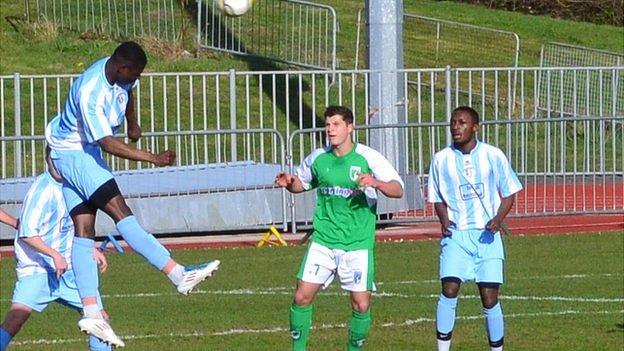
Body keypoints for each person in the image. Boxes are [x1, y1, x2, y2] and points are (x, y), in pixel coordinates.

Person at [45, 41, 220, 347]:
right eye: (134, 73)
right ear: (120, 67)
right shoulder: (90, 91)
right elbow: (107, 143)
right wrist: (152, 157)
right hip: (73, 154)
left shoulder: (120, 72)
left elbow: (130, 92)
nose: (135, 79)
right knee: (120, 213)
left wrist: (132, 121)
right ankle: (177, 274)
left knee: (84, 230)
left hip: (76, 153)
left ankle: (90, 311)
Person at [275, 106, 405, 351]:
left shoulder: (368, 157)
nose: (330, 130)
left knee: (361, 305)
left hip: (357, 243)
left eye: (336, 124)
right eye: (327, 125)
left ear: (350, 127)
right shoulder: (318, 158)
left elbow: (398, 189)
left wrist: (374, 182)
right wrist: (289, 183)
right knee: (301, 296)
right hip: (324, 240)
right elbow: (301, 184)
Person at [427, 106, 523, 351]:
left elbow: (509, 191)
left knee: (490, 299)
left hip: (487, 236)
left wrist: (498, 219)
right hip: (457, 236)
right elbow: (436, 196)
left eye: (462, 122)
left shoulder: (493, 155)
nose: (456, 127)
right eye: (453, 122)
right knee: (449, 289)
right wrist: (443, 219)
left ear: (475, 127)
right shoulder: (441, 159)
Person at [0, 148, 113, 351]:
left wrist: (90, 248)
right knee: (15, 319)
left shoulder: (75, 186)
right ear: (52, 161)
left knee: (98, 318)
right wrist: (54, 255)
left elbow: (75, 225)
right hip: (37, 268)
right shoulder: (42, 191)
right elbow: (27, 233)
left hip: (68, 267)